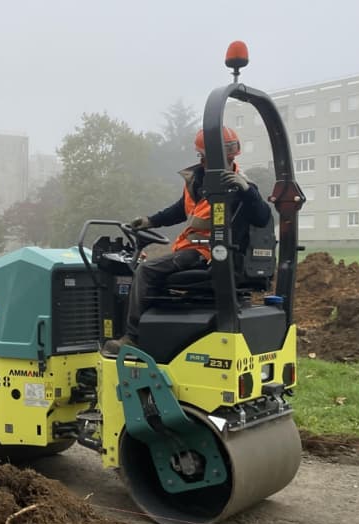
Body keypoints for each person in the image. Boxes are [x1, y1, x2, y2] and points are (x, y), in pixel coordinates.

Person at [103, 126, 272, 356]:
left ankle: (132, 337)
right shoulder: (198, 182)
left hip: (207, 254)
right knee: (156, 273)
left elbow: (262, 217)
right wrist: (149, 221)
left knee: (145, 271)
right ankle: (155, 327)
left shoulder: (240, 187)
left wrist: (246, 189)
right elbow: (179, 210)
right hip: (191, 250)